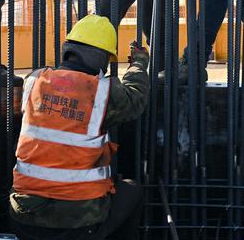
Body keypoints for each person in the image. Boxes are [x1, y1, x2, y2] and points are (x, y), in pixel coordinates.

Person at [8, 14, 149, 240]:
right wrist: (139, 62)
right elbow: (136, 99)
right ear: (101, 58)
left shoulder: (33, 80)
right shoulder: (101, 91)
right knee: (132, 191)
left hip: (23, 219)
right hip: (77, 226)